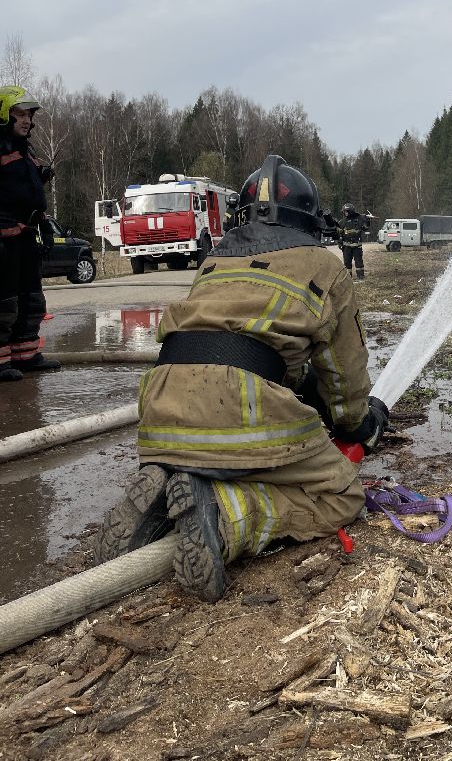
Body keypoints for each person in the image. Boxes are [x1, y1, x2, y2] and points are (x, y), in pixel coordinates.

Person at [96, 154, 389, 602]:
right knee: (342, 496)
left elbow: (233, 340)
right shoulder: (325, 266)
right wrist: (360, 422)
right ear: (309, 219)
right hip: (239, 403)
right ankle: (227, 513)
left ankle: (167, 490)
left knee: (227, 447)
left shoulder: (213, 262)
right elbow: (344, 379)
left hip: (158, 410)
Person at [0, 86, 61, 383]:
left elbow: (33, 194)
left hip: (26, 234)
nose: (26, 120)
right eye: (19, 114)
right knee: (4, 301)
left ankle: (25, 356)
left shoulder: (27, 150)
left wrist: (45, 224)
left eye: (29, 115)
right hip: (4, 236)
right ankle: (1, 362)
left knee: (31, 299)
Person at [337, 202, 366, 280]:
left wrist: (367, 221)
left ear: (351, 211)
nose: (345, 213)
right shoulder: (342, 222)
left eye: (346, 211)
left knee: (359, 261)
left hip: (357, 245)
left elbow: (365, 228)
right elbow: (339, 234)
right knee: (347, 263)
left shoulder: (359, 219)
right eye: (344, 212)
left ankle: (360, 276)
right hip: (346, 246)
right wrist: (340, 243)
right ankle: (348, 279)